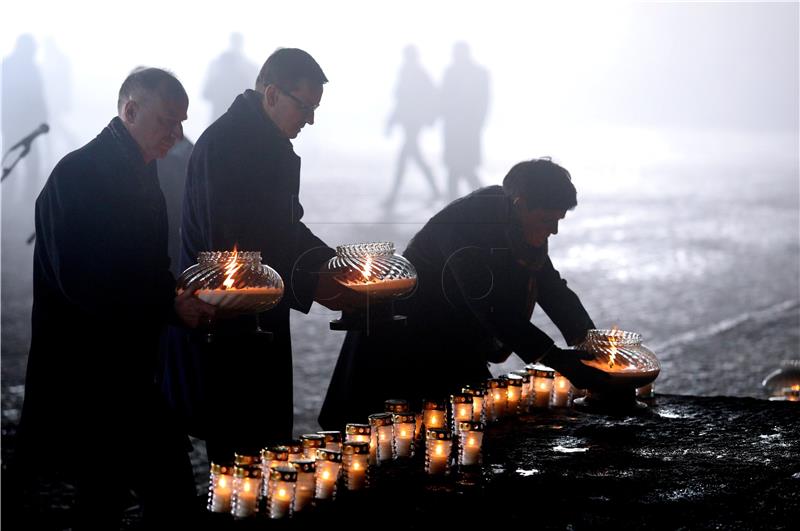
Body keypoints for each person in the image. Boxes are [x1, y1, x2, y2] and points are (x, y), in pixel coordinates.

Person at [14, 67, 216, 529]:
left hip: (126, 372)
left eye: (182, 122)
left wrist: (179, 292)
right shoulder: (80, 175)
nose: (177, 134)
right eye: (167, 120)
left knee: (109, 497)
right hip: (87, 372)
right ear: (130, 110)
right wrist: (169, 303)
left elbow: (147, 267)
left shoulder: (143, 174)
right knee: (154, 490)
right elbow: (86, 281)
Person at [162, 48, 351, 464]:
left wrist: (331, 263)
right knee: (239, 451)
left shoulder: (269, 144)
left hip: (262, 312)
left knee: (268, 439)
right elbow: (233, 249)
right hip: (229, 320)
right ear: (271, 94)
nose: (310, 120)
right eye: (305, 107)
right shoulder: (226, 145)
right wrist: (311, 281)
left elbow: (287, 226)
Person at [319, 158, 607, 429]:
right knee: (404, 435)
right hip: (405, 343)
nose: (554, 230)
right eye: (547, 220)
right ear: (521, 205)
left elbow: (550, 286)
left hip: (453, 340)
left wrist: (590, 340)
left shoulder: (518, 224)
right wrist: (556, 359)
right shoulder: (468, 225)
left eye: (558, 221)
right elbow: (491, 307)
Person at [382, 45, 440, 210]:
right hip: (411, 122)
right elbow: (401, 101)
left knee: (405, 157)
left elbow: (430, 97)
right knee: (414, 156)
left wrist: (429, 117)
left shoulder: (416, 74)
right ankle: (435, 190)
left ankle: (393, 195)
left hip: (413, 123)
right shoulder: (410, 73)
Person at [440, 41, 490, 202]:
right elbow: (442, 100)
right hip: (457, 130)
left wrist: (477, 124)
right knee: (457, 169)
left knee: (463, 169)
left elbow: (483, 103)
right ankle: (484, 201)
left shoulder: (477, 74)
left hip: (465, 130)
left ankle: (485, 201)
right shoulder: (454, 73)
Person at [202, 32, 258, 124]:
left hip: (225, 115)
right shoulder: (249, 67)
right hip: (234, 114)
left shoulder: (218, 64)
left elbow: (206, 92)